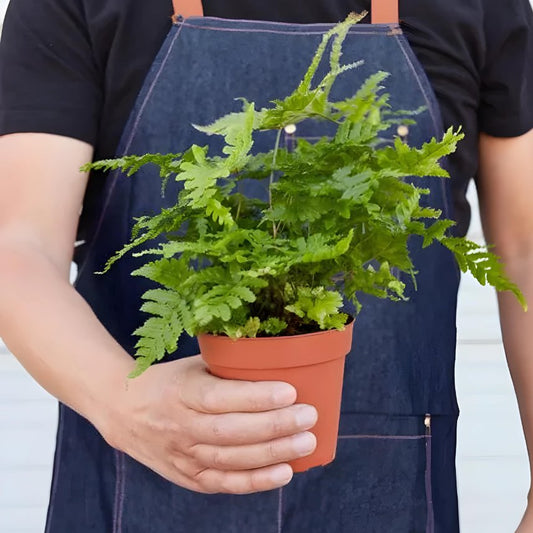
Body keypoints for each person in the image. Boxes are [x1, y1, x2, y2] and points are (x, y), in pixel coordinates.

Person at [0, 0, 532, 531]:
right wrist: (123, 401)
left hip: (388, 493)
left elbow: (525, 253)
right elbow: (17, 244)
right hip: (134, 483)